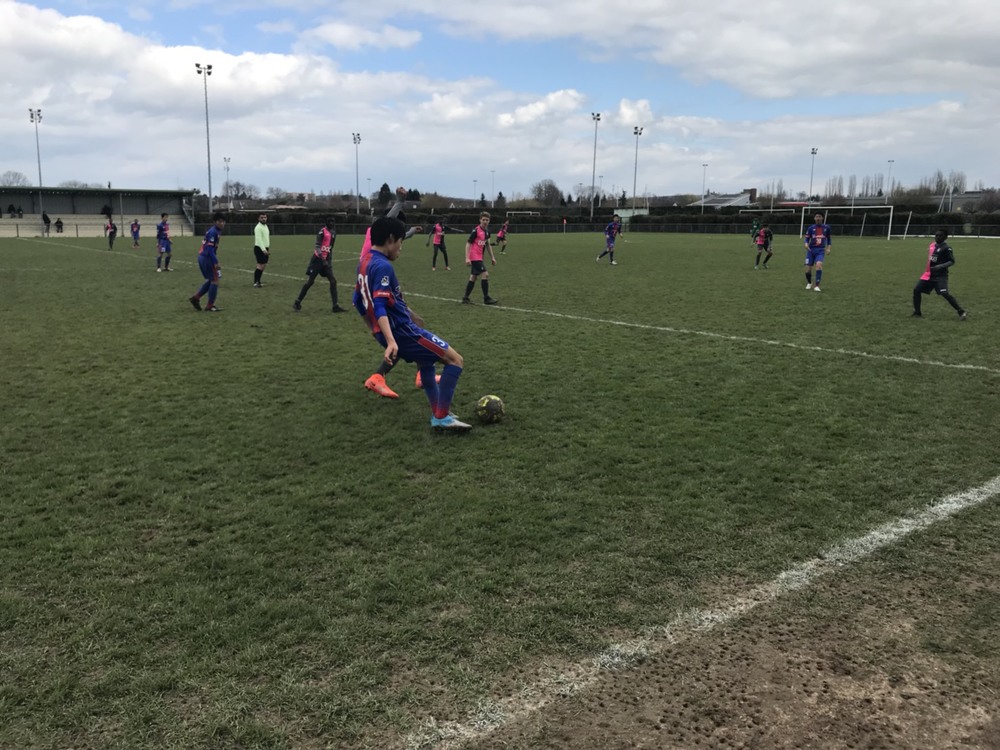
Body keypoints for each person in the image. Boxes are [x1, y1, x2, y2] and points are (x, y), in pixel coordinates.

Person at [354, 216, 472, 432]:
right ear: (391, 239)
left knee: (426, 362)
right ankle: (441, 417)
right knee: (455, 360)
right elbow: (379, 304)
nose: (401, 247)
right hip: (402, 332)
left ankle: (439, 412)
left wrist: (375, 329)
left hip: (394, 330)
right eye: (401, 241)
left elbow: (357, 300)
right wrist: (391, 340)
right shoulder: (383, 266)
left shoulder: (365, 261)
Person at [362, 187, 425, 399]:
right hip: (378, 282)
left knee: (415, 324)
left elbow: (397, 235)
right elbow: (387, 221)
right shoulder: (376, 234)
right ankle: (383, 377)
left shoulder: (380, 245)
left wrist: (411, 232)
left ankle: (385, 377)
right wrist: (399, 200)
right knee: (406, 334)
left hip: (375, 282)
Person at [292, 218, 347, 313]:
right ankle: (297, 302)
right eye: (330, 222)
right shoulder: (322, 232)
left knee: (333, 281)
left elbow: (330, 248)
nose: (331, 223)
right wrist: (322, 258)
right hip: (317, 260)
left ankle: (335, 306)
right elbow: (317, 246)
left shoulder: (333, 233)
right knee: (310, 282)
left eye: (333, 222)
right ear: (326, 223)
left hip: (326, 262)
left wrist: (328, 261)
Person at [912, 230, 968, 320]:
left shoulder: (947, 248)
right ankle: (917, 312)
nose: (937, 237)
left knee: (944, 293)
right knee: (916, 290)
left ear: (945, 237)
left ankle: (961, 311)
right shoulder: (932, 245)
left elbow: (951, 261)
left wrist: (939, 266)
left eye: (940, 236)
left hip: (940, 276)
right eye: (936, 235)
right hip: (928, 274)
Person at [189, 212, 226, 312]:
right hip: (207, 258)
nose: (222, 223)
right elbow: (209, 249)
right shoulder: (213, 232)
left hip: (204, 257)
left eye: (223, 221)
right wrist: (215, 262)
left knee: (211, 280)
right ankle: (210, 306)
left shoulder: (216, 231)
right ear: (215, 222)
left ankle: (196, 298)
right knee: (215, 281)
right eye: (219, 221)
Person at [462, 211, 499, 304]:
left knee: (473, 277)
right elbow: (468, 243)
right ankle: (486, 298)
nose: (485, 222)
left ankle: (465, 298)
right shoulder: (476, 231)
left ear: (489, 221)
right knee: (485, 274)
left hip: (479, 257)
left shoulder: (487, 232)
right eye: (483, 220)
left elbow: (488, 245)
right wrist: (467, 258)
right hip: (474, 257)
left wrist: (492, 257)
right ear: (480, 220)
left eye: (487, 220)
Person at [803, 212, 831, 292]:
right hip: (811, 250)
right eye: (816, 216)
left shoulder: (827, 228)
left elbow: (829, 240)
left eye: (819, 216)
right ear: (814, 218)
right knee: (807, 270)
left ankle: (817, 286)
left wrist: (828, 248)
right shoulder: (811, 228)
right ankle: (809, 283)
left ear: (822, 218)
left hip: (820, 250)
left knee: (819, 265)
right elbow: (807, 238)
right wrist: (806, 244)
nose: (818, 218)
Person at [252, 212, 270, 288]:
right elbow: (259, 240)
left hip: (265, 248)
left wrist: (267, 248)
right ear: (259, 218)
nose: (263, 219)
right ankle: (256, 282)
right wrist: (263, 250)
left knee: (263, 265)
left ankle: (258, 281)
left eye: (265, 217)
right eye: (262, 217)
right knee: (260, 265)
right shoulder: (258, 228)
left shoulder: (265, 226)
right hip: (259, 248)